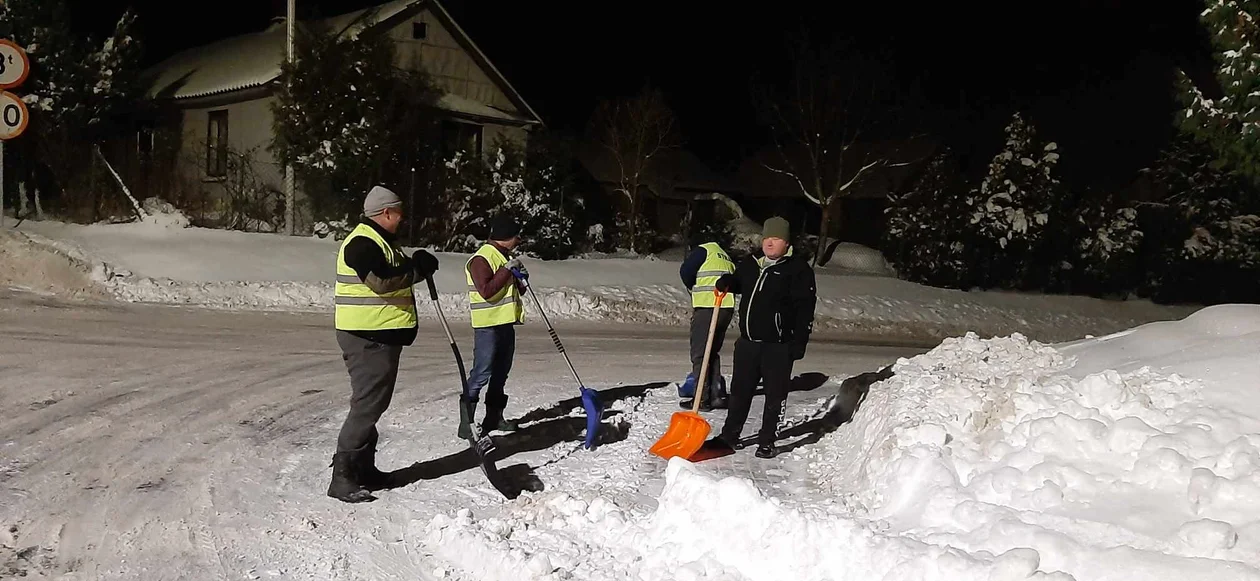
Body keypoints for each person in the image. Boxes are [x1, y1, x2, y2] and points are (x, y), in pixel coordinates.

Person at [329, 185, 439, 503]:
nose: (402, 218)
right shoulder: (362, 242)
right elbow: (383, 281)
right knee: (367, 405)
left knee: (373, 404)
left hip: (377, 336)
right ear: (386, 212)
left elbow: (393, 270)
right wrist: (417, 269)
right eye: (398, 212)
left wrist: (413, 263)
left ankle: (363, 469)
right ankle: (343, 476)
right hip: (366, 338)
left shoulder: (381, 240)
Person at [705, 216, 816, 459]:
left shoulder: (797, 270)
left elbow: (805, 308)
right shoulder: (752, 263)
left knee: (775, 396)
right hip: (748, 344)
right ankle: (730, 436)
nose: (769, 243)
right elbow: (739, 281)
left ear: (786, 243)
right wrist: (728, 282)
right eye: (767, 238)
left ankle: (767, 440)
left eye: (776, 239)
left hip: (778, 346)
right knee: (739, 392)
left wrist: (799, 343)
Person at [460, 216, 528, 440]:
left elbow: (511, 290)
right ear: (507, 237)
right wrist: (507, 270)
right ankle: (466, 424)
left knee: (501, 373)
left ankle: (494, 417)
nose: (519, 240)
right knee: (481, 373)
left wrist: (521, 280)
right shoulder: (481, 259)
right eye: (516, 236)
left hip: (505, 323)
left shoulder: (503, 256)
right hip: (487, 325)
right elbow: (486, 291)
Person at [677, 238, 736, 410]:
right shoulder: (725, 256)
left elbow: (685, 272)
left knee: (700, 354)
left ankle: (701, 399)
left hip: (708, 307)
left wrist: (692, 285)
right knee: (712, 352)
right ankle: (716, 396)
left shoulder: (704, 250)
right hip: (725, 308)